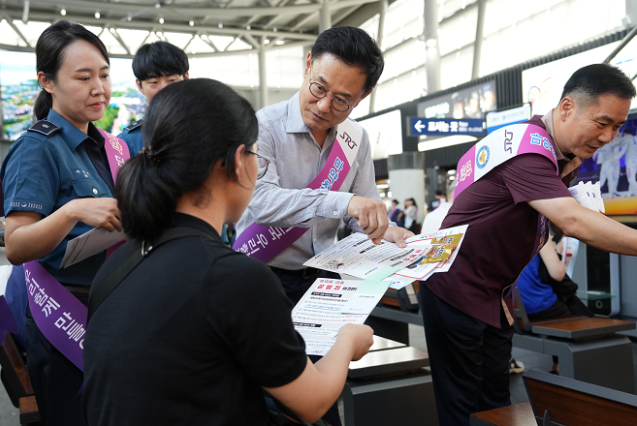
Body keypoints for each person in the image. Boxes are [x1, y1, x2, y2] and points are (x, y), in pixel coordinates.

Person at [82, 78, 375, 426]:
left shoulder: (116, 267)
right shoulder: (236, 279)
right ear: (239, 161)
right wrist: (346, 340)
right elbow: (312, 402)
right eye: (256, 156)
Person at [418, 63, 637, 426]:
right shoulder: (527, 149)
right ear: (566, 107)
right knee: (462, 407)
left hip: (496, 295)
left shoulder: (564, 157)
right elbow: (572, 219)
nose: (608, 137)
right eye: (602, 123)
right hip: (455, 290)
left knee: (496, 404)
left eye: (617, 127)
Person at [234, 27, 411, 424]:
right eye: (319, 88)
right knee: (265, 394)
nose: (324, 105)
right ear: (308, 63)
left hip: (322, 283)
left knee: (321, 391)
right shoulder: (263, 126)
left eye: (342, 100)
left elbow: (361, 210)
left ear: (362, 98)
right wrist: (342, 200)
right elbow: (261, 201)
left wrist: (386, 230)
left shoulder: (355, 140)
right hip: (261, 275)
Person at [0, 21, 128, 426]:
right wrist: (72, 211)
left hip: (114, 313)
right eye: (84, 77)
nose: (99, 88)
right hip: (64, 318)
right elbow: (17, 245)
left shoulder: (111, 146)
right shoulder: (37, 148)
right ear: (47, 81)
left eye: (105, 75)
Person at [517, 234, 593, 374]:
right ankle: (562, 367)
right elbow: (558, 274)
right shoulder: (538, 233)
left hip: (516, 309)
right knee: (578, 315)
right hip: (539, 306)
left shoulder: (501, 234)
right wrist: (556, 251)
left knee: (565, 308)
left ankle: (558, 365)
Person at [117, 41, 189, 157]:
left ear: (186, 79)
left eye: (172, 81)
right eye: (153, 82)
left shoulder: (209, 130)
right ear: (140, 86)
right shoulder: (127, 143)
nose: (164, 89)